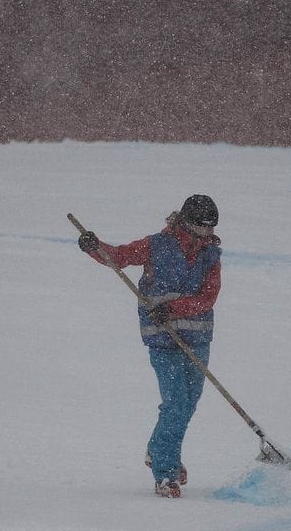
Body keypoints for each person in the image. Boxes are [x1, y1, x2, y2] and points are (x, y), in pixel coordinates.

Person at [78, 194, 221, 499]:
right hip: (162, 340)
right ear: (185, 222)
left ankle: (158, 449)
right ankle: (165, 473)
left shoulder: (211, 255)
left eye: (211, 229)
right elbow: (119, 257)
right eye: (202, 228)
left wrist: (175, 308)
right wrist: (96, 247)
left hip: (198, 339)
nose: (207, 235)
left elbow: (208, 297)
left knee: (188, 404)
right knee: (175, 404)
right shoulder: (157, 245)